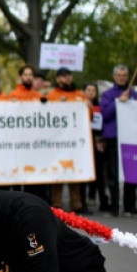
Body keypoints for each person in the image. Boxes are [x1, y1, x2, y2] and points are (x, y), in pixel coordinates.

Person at [100, 64, 137, 218]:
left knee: (131, 172)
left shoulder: (134, 95)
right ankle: (115, 206)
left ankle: (130, 206)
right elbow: (105, 114)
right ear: (114, 77)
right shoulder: (108, 95)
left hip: (130, 138)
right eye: (119, 75)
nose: (122, 78)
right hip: (113, 138)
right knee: (113, 174)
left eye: (124, 75)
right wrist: (118, 101)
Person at [46, 68, 89, 215]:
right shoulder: (52, 95)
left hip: (75, 139)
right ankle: (56, 204)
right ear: (58, 79)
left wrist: (88, 108)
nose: (67, 78)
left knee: (74, 170)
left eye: (69, 75)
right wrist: (58, 103)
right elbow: (46, 114)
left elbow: (87, 117)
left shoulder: (79, 95)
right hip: (57, 139)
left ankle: (76, 203)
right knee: (58, 169)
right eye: (64, 76)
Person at [83, 83, 108, 213]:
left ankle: (103, 200)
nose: (91, 92)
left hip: (96, 142)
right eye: (88, 90)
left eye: (93, 90)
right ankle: (86, 199)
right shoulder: (79, 105)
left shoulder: (99, 107)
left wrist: (100, 140)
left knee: (99, 173)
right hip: (83, 144)